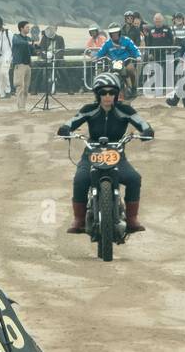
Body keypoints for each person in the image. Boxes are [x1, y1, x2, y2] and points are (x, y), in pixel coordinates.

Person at [58, 72, 154, 235]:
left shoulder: (126, 110)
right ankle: (79, 219)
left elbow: (142, 123)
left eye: (111, 92)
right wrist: (65, 129)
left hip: (117, 153)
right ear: (97, 94)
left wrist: (147, 131)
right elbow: (71, 122)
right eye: (103, 92)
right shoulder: (88, 110)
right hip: (91, 153)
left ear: (117, 94)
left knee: (134, 178)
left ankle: (132, 219)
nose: (107, 96)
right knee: (80, 179)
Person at [94, 25, 141, 97]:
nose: (115, 35)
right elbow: (101, 51)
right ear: (110, 34)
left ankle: (133, 88)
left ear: (119, 33)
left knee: (131, 69)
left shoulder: (126, 40)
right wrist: (97, 57)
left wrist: (138, 56)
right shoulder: (107, 43)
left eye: (116, 33)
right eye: (113, 33)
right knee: (106, 74)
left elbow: (134, 49)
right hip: (113, 63)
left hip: (126, 62)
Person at [11, 20, 34, 111]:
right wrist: (29, 43)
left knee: (26, 88)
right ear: (21, 28)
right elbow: (18, 43)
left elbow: (32, 51)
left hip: (28, 65)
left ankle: (23, 106)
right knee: (20, 86)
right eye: (27, 27)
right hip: (19, 65)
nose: (29, 29)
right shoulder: (16, 37)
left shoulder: (28, 39)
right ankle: (20, 107)